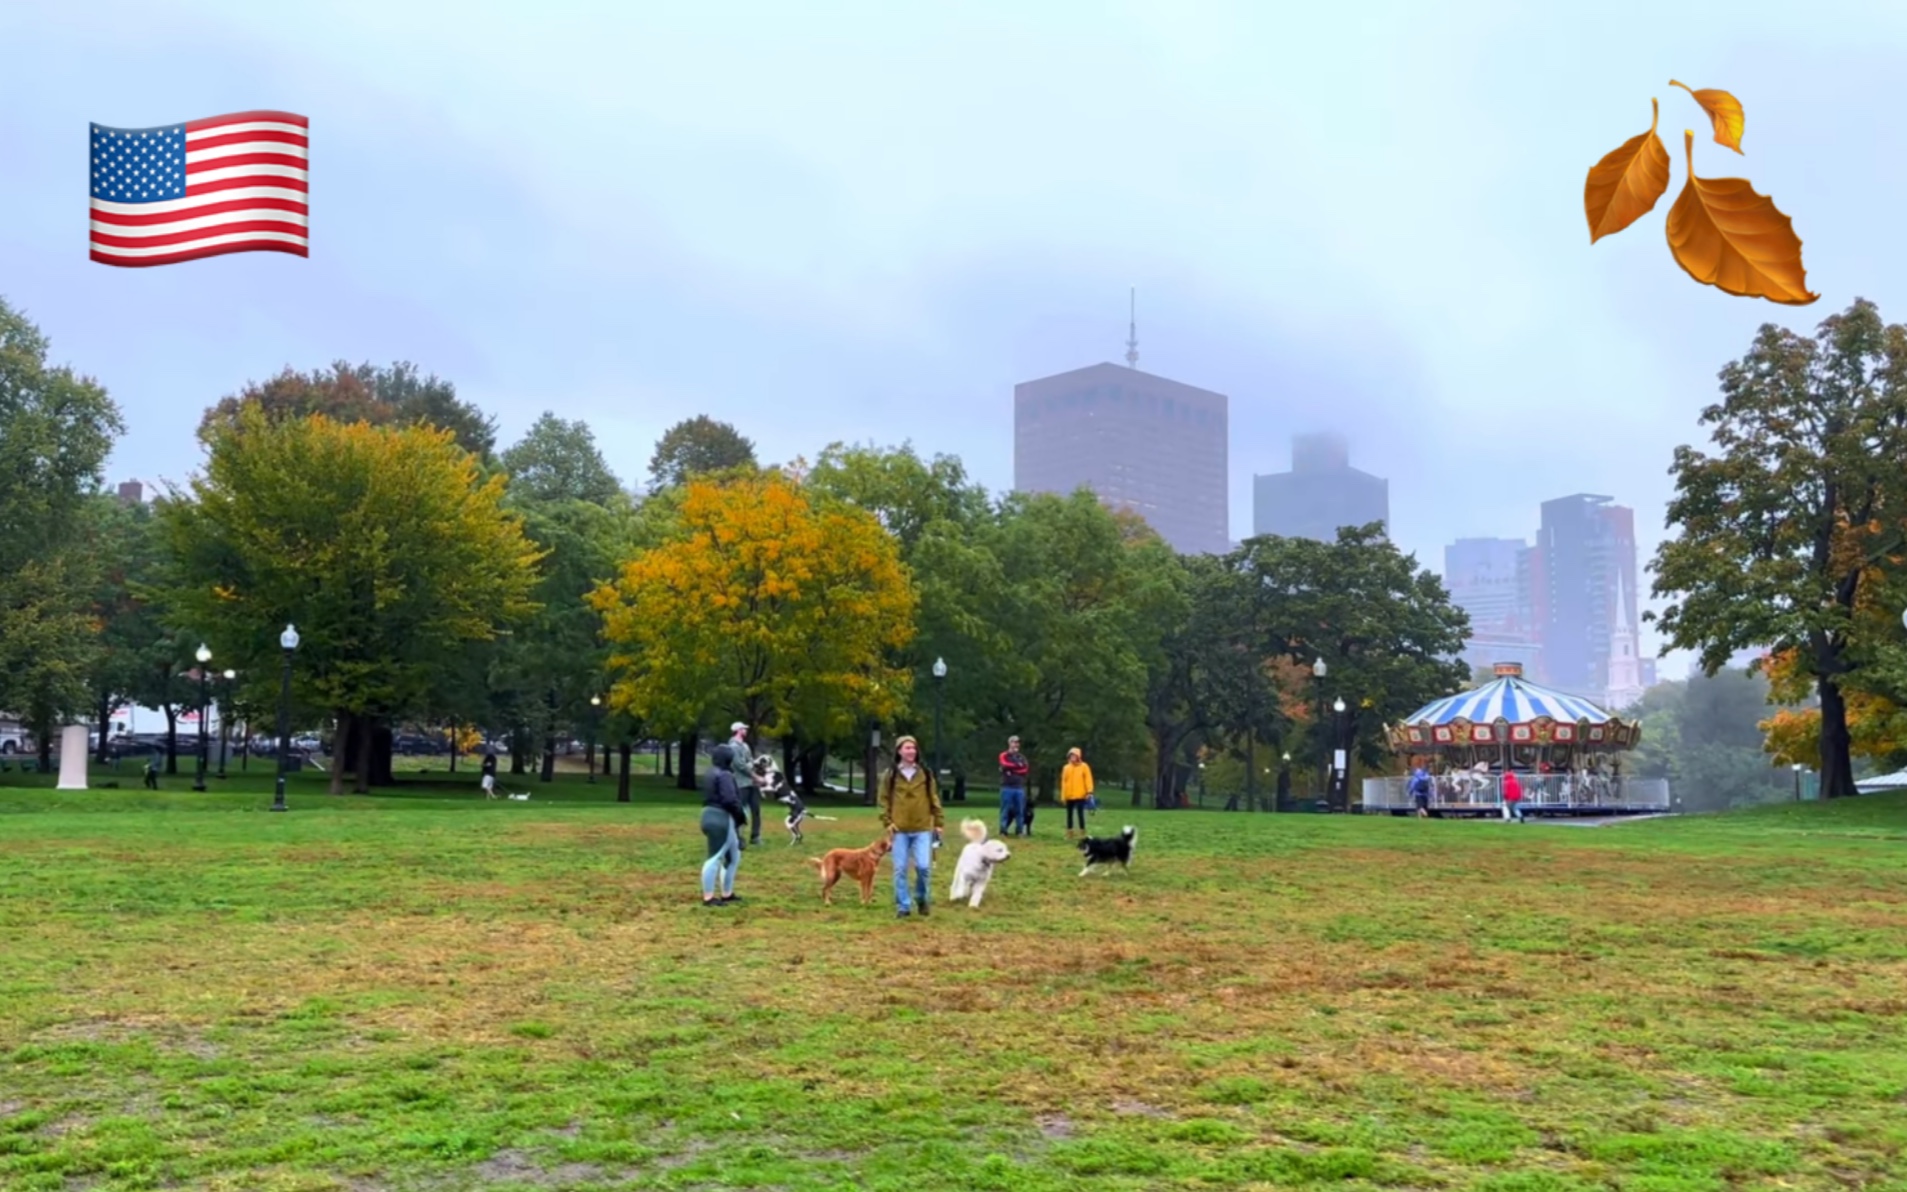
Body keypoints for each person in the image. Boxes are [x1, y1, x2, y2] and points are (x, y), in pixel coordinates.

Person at [879, 735, 944, 918]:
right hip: (899, 830)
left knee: (923, 867)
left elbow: (934, 797)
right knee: (900, 869)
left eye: (913, 748)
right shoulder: (890, 775)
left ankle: (922, 898)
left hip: (922, 828)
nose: (911, 751)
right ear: (899, 751)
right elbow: (883, 800)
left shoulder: (925, 773)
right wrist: (887, 822)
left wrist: (938, 822)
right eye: (907, 748)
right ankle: (903, 906)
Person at [700, 743, 748, 906]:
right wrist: (740, 816)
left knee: (733, 855)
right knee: (715, 857)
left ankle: (727, 893)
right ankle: (708, 897)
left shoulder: (710, 773)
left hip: (708, 814)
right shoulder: (725, 775)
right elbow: (729, 800)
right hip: (721, 817)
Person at [727, 721, 761, 848]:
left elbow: (750, 761)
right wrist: (752, 770)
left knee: (756, 810)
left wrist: (754, 773)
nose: (746, 730)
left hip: (751, 783)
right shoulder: (733, 746)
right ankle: (736, 837)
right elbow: (739, 765)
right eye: (744, 728)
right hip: (740, 783)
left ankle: (756, 836)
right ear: (738, 730)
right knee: (740, 811)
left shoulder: (745, 746)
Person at [998, 735, 1030, 837]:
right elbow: (1004, 765)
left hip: (1019, 787)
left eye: (1017, 743)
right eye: (1014, 742)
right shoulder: (1004, 755)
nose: (1015, 744)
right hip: (1007, 787)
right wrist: (1017, 766)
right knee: (1005, 810)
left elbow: (1025, 769)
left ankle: (1019, 830)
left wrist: (1012, 770)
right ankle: (1003, 830)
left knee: (1019, 810)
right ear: (1009, 743)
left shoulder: (1022, 757)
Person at [1060, 747, 1095, 838]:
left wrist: (1089, 792)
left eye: (1074, 755)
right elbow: (1064, 782)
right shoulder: (1066, 768)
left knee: (1080, 814)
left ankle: (1082, 832)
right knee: (1069, 814)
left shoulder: (1084, 766)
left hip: (1080, 795)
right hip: (1069, 795)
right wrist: (1063, 796)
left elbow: (1088, 780)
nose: (1073, 757)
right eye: (1071, 755)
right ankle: (1069, 832)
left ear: (1078, 756)